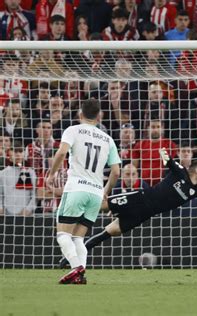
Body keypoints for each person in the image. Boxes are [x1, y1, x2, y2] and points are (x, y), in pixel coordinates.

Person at [60, 149, 197, 266]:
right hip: (138, 199)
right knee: (100, 206)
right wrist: (165, 156)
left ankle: (70, 260)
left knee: (108, 232)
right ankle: (72, 214)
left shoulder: (194, 191)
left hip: (144, 214)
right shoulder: (181, 173)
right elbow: (170, 162)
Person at [47, 99, 121, 284]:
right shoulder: (108, 139)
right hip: (96, 192)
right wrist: (105, 190)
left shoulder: (72, 130)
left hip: (76, 188)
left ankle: (76, 267)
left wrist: (51, 174)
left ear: (80, 114)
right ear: (99, 116)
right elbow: (117, 171)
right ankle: (80, 276)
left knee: (63, 235)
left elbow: (61, 152)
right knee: (78, 237)